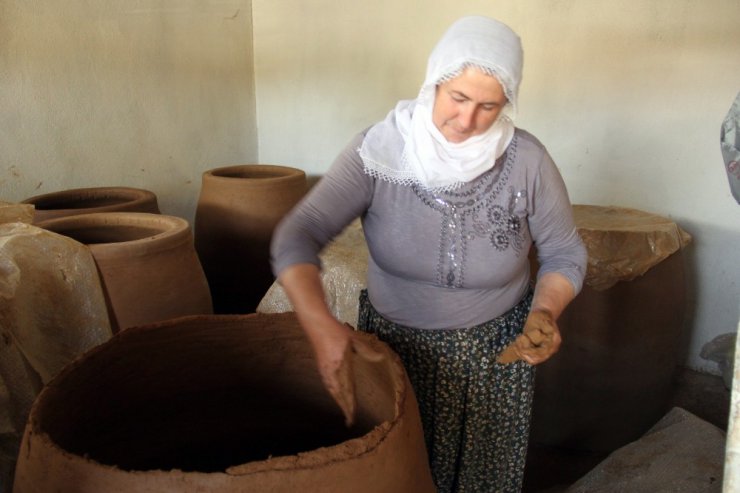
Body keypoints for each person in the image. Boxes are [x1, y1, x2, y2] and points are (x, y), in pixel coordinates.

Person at [270, 15, 587, 492]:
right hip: (397, 353)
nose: (466, 120)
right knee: (402, 476)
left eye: (488, 106)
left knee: (483, 479)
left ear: (508, 104)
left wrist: (546, 310)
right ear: (433, 84)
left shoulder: (528, 161)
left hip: (496, 358)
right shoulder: (378, 154)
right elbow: (298, 234)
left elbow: (564, 252)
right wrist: (320, 325)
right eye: (457, 98)